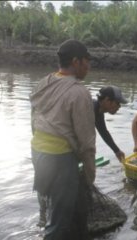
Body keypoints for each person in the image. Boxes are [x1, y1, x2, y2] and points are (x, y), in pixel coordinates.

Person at [30, 39, 95, 239]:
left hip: (38, 152)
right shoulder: (79, 92)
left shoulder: (44, 82)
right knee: (58, 224)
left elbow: (34, 119)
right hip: (59, 160)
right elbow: (86, 141)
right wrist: (90, 175)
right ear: (76, 62)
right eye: (86, 61)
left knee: (55, 206)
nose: (88, 66)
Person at [94, 86, 128, 162]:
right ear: (107, 100)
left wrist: (117, 151)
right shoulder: (89, 109)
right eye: (118, 103)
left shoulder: (98, 110)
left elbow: (103, 132)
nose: (119, 107)